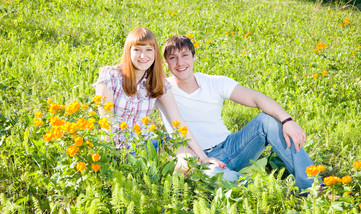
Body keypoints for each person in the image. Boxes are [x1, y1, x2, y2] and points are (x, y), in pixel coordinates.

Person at [157, 35, 315, 190]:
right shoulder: (161, 90)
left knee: (269, 120)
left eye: (184, 55)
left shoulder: (214, 83)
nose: (180, 63)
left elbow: (255, 98)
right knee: (213, 175)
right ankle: (271, 190)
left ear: (193, 57)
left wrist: (287, 121)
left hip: (231, 148)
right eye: (173, 58)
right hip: (195, 157)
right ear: (165, 62)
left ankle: (313, 187)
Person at [92, 28, 222, 169]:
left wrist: (203, 157)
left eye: (149, 50)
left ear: (155, 53)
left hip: (149, 144)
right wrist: (109, 160)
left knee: (191, 163)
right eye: (137, 50)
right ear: (128, 51)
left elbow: (178, 122)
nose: (143, 56)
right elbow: (106, 124)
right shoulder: (111, 76)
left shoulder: (157, 81)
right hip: (121, 150)